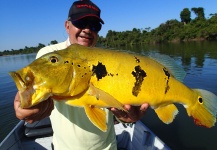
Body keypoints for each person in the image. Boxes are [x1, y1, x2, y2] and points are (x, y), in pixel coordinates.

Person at [14, 0, 149, 149]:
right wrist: (24, 103)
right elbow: (33, 88)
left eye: (94, 25)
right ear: (67, 25)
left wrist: (127, 118)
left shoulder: (109, 60)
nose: (87, 29)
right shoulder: (49, 55)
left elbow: (119, 103)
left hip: (108, 146)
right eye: (81, 22)